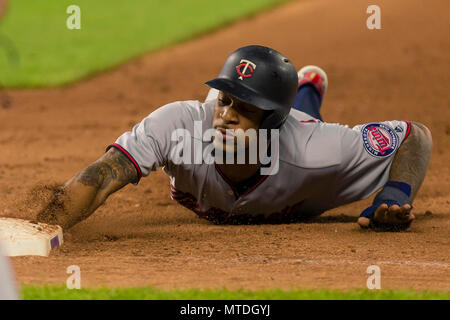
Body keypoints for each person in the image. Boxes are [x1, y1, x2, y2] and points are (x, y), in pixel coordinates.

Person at [36, 45, 432, 232]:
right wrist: (44, 228)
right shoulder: (178, 126)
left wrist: (394, 196)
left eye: (244, 109)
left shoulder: (319, 152)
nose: (225, 117)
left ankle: (308, 90)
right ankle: (306, 87)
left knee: (307, 121)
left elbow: (415, 136)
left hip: (298, 134)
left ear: (272, 120)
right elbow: (104, 173)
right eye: (224, 100)